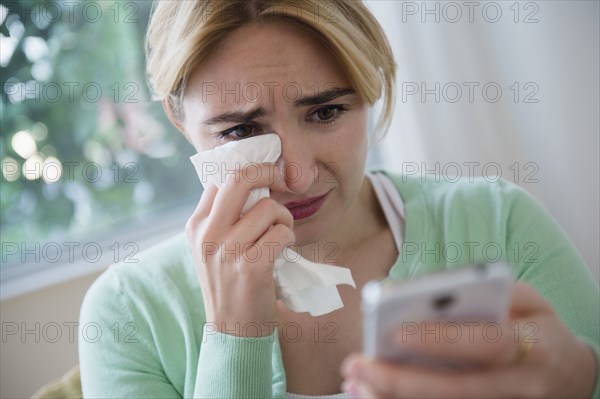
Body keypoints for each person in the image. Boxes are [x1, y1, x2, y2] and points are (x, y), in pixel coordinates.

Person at [78, 1, 599, 398]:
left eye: (325, 112)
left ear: (369, 86)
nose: (299, 177)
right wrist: (236, 335)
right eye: (241, 131)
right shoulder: (129, 313)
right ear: (179, 122)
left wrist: (580, 378)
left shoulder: (496, 222)